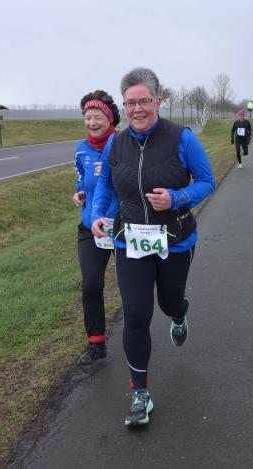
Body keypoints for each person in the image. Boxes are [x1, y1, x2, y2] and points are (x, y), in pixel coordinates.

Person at [90, 67, 215, 427]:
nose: (137, 109)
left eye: (144, 101)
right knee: (136, 315)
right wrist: (97, 215)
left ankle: (179, 313)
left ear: (158, 102)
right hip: (130, 241)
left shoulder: (182, 139)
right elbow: (106, 185)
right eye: (130, 103)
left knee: (168, 302)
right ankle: (140, 393)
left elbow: (206, 181)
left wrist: (176, 197)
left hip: (174, 241)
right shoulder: (116, 143)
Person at [72, 90, 120, 366]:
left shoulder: (123, 144)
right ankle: (96, 345)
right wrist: (79, 193)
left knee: (131, 287)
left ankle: (136, 337)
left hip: (122, 226)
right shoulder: (81, 149)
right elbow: (82, 180)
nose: (92, 122)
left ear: (110, 118)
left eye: (97, 117)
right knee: (91, 285)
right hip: (90, 228)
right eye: (87, 117)